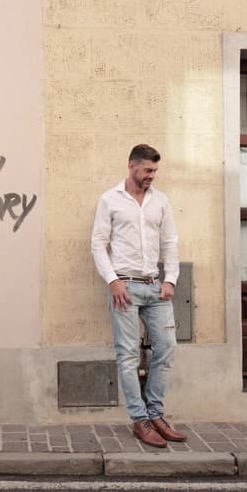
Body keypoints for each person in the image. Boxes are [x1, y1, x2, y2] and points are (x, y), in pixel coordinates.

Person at [91, 144, 187, 448]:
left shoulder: (161, 201)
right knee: (129, 354)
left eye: (155, 171)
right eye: (148, 170)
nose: (152, 176)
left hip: (155, 287)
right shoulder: (110, 200)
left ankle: (156, 414)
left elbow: (170, 242)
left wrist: (170, 279)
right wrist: (112, 281)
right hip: (126, 289)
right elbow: (98, 244)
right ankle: (140, 419)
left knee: (167, 347)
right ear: (132, 166)